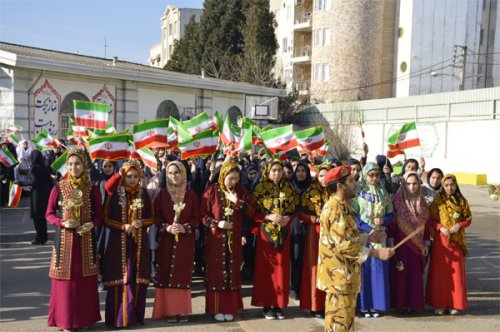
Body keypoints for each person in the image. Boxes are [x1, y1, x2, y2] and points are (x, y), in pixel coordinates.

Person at [317, 165, 394, 332]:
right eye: (351, 181)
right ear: (339, 186)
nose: (355, 183)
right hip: (339, 279)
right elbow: (345, 246)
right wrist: (376, 252)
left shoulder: (343, 206)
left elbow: (347, 237)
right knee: (339, 326)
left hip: (345, 278)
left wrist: (368, 237)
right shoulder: (336, 209)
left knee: (345, 325)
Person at [45, 148, 102, 330]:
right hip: (64, 242)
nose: (73, 167)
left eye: (77, 164)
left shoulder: (92, 189)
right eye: (70, 164)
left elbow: (100, 215)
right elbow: (49, 214)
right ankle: (65, 321)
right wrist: (62, 223)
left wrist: (91, 224)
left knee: (84, 282)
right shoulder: (58, 187)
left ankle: (84, 320)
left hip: (86, 241)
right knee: (65, 285)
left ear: (84, 165)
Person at [201, 162, 255, 321]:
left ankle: (230, 308)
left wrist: (237, 201)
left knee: (233, 271)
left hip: (235, 240)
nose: (234, 182)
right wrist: (217, 223)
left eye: (236, 178)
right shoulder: (211, 191)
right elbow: (202, 215)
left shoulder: (241, 191)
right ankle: (217, 307)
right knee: (217, 272)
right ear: (223, 176)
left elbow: (251, 210)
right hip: (216, 240)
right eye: (231, 178)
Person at [102, 160, 154, 328]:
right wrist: (123, 226)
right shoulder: (116, 194)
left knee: (136, 278)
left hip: (139, 243)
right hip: (119, 243)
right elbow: (106, 219)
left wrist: (142, 223)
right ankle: (118, 319)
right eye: (129, 176)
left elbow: (151, 217)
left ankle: (135, 316)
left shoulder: (144, 194)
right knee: (121, 278)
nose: (132, 180)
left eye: (135, 176)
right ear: (123, 176)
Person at [251, 159, 299, 320]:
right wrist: (268, 216)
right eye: (274, 170)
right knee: (267, 271)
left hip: (283, 234)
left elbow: (296, 208)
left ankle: (279, 305)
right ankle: (267, 305)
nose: (277, 173)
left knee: (282, 270)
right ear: (267, 171)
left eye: (279, 170)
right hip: (266, 234)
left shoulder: (289, 188)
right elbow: (252, 212)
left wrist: (288, 218)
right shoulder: (259, 189)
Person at [152, 161, 199, 323]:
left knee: (182, 273)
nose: (173, 176)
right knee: (166, 273)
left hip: (184, 242)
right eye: (170, 173)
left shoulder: (190, 195)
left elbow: (197, 217)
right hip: (166, 241)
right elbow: (155, 216)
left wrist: (185, 227)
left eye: (177, 173)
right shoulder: (162, 194)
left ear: (184, 174)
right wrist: (166, 227)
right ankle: (169, 311)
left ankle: (182, 310)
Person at [351, 162, 394, 318]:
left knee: (377, 270)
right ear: (365, 175)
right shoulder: (357, 191)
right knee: (364, 270)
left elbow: (390, 214)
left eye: (377, 175)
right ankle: (363, 305)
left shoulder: (383, 193)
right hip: (363, 235)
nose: (374, 178)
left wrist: (383, 221)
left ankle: (376, 305)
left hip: (380, 235)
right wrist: (368, 229)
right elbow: (353, 215)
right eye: (371, 175)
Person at [426, 174, 472, 315]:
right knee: (440, 274)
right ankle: (439, 304)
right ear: (442, 186)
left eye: (452, 184)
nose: (449, 188)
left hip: (456, 242)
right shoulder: (438, 200)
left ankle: (454, 304)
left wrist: (460, 225)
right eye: (446, 185)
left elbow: (469, 219)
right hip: (441, 241)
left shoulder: (462, 200)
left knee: (456, 274)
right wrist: (440, 227)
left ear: (456, 185)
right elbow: (430, 219)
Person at [388, 172, 430, 314]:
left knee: (414, 276)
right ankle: (401, 304)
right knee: (401, 274)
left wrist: (425, 244)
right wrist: (391, 245)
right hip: (401, 245)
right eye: (408, 183)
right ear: (403, 184)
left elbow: (427, 225)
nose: (412, 187)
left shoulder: (422, 201)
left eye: (415, 183)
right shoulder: (396, 201)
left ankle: (414, 304)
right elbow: (392, 225)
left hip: (417, 247)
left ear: (419, 184)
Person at [299, 165, 330, 318]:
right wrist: (315, 219)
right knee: (315, 268)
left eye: (327, 175)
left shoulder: (336, 191)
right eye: (321, 176)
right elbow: (301, 213)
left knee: (331, 267)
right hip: (315, 232)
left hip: (333, 234)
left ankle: (329, 305)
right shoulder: (310, 192)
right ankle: (314, 305)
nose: (324, 179)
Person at [19, 150, 53, 244]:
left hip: (36, 195)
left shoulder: (34, 167)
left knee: (37, 218)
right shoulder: (45, 167)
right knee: (42, 218)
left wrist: (21, 183)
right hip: (44, 195)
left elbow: (33, 181)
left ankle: (39, 238)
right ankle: (43, 237)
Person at [290, 162, 312, 300]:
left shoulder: (312, 188)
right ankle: (293, 287)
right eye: (298, 171)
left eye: (304, 170)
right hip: (294, 225)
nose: (301, 173)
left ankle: (305, 287)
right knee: (295, 256)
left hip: (309, 225)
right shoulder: (290, 187)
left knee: (307, 257)